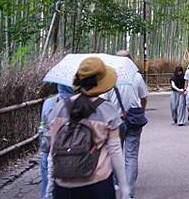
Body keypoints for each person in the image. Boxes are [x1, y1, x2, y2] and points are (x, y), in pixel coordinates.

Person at [46, 57, 130, 199]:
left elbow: (52, 151)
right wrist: (124, 187)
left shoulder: (58, 108)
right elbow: (115, 151)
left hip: (63, 186)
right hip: (97, 185)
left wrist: (50, 185)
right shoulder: (107, 110)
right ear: (101, 83)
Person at [101, 50, 148, 199]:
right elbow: (144, 97)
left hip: (115, 121)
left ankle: (117, 188)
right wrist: (141, 111)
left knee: (115, 154)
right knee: (131, 157)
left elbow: (104, 101)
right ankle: (129, 193)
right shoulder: (137, 76)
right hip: (134, 118)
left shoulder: (108, 78)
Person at [39, 84, 74, 199]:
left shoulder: (48, 102)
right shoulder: (76, 103)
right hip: (67, 149)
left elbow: (43, 121)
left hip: (47, 147)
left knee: (46, 184)